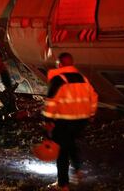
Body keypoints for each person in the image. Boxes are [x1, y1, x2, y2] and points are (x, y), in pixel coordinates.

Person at [42, 52, 98, 191]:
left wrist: (47, 120)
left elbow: (51, 103)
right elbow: (94, 96)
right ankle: (78, 171)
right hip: (81, 121)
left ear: (60, 64)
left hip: (64, 121)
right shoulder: (83, 78)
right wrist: (91, 114)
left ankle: (63, 185)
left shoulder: (58, 79)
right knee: (71, 143)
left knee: (62, 152)